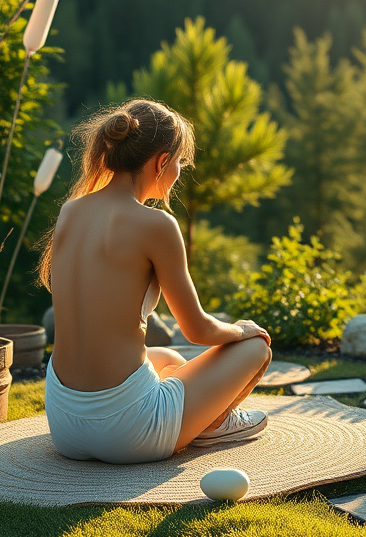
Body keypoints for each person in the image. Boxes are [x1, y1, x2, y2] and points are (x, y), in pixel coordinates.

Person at [36, 98, 272, 464]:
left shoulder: (71, 211)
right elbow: (198, 329)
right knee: (256, 348)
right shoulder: (156, 225)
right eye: (180, 162)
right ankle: (214, 422)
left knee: (168, 359)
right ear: (161, 162)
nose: (179, 172)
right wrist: (241, 330)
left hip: (64, 424)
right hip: (128, 433)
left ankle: (205, 421)